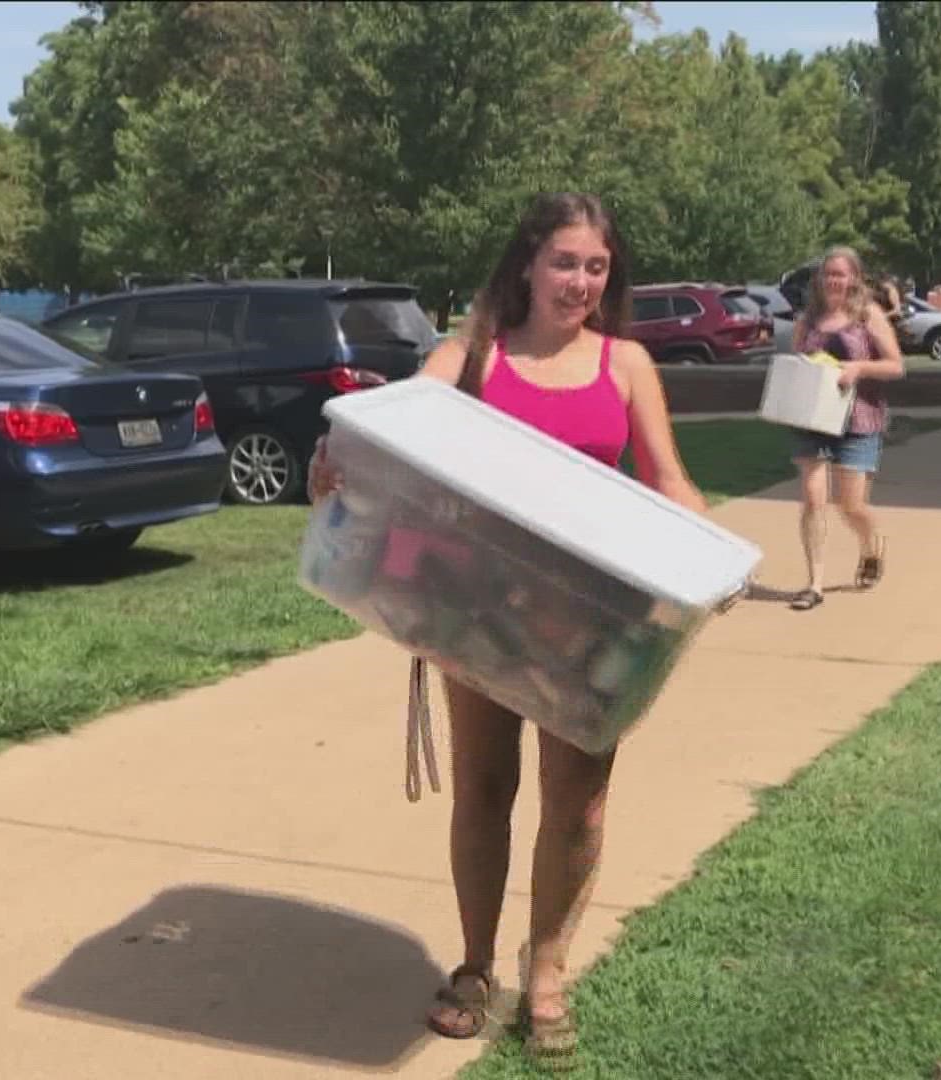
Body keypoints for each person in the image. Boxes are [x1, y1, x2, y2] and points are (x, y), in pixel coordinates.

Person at [308, 192, 709, 1070]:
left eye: (596, 267)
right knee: (485, 793)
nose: (580, 282)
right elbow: (400, 426)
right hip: (478, 613)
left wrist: (707, 549)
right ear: (527, 262)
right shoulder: (472, 357)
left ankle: (551, 968)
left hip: (595, 622)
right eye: (564, 262)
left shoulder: (628, 363)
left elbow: (668, 478)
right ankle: (478, 965)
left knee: (582, 802)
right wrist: (339, 456)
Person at [786, 246, 907, 612]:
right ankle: (814, 583)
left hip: (859, 419)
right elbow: (797, 363)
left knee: (850, 505)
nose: (834, 281)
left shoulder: (867, 315)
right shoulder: (807, 320)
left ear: (854, 278)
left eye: (841, 274)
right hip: (813, 420)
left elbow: (895, 366)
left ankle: (873, 544)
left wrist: (858, 369)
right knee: (813, 497)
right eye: (828, 274)